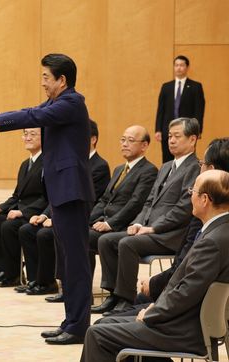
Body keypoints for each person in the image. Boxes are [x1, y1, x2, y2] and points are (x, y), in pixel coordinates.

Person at [0, 53, 95, 345]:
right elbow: (30, 110)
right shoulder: (56, 103)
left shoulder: (72, 102)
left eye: (46, 77)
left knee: (76, 262)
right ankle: (71, 321)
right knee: (66, 261)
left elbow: (32, 117)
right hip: (61, 192)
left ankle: (79, 327)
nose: (42, 82)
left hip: (71, 193)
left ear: (62, 80)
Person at [80, 169, 229, 362]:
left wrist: (152, 313)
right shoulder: (219, 231)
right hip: (187, 321)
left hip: (182, 330)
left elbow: (186, 292)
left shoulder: (213, 241)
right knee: (105, 323)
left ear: (205, 199)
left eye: (192, 190)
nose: (189, 194)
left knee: (97, 334)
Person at [92, 118, 200, 316]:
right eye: (169, 136)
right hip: (148, 230)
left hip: (171, 234)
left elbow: (184, 208)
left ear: (192, 139)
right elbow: (149, 201)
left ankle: (126, 299)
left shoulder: (195, 167)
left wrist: (154, 227)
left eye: (177, 136)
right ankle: (113, 295)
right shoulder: (167, 166)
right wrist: (138, 222)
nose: (172, 140)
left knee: (127, 243)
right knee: (106, 240)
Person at [21, 119, 110, 298]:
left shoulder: (99, 166)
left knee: (50, 234)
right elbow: (59, 193)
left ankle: (65, 286)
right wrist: (45, 215)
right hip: (65, 213)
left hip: (85, 216)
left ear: (92, 139)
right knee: (29, 230)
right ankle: (43, 281)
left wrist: (60, 217)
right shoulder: (73, 161)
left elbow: (92, 200)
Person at [0, 128, 46, 287]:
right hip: (20, 211)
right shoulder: (25, 164)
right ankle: (1, 269)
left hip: (37, 213)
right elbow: (17, 196)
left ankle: (13, 273)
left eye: (33, 134)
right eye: (25, 134)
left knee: (9, 226)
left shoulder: (48, 162)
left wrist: (22, 212)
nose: (27, 138)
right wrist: (1, 208)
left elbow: (48, 198)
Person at [88, 125, 157, 279]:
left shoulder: (149, 170)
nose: (124, 144)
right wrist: (87, 219)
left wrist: (109, 224)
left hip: (124, 225)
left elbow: (135, 204)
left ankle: (98, 290)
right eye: (123, 140)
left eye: (130, 140)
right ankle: (73, 286)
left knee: (85, 237)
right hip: (105, 221)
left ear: (144, 146)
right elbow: (105, 200)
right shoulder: (119, 169)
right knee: (74, 231)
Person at [155, 55, 205, 162]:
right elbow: (161, 109)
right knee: (167, 159)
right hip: (167, 129)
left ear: (187, 67)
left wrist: (198, 129)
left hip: (187, 129)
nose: (179, 68)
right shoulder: (166, 86)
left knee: (186, 157)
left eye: (182, 65)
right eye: (176, 65)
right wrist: (158, 129)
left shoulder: (196, 86)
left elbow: (199, 109)